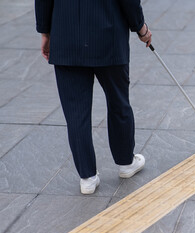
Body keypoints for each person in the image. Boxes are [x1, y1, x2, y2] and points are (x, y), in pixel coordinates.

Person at [35, 0, 152, 194]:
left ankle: (87, 177)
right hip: (108, 33)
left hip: (66, 35)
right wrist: (140, 27)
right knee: (118, 101)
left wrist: (45, 31)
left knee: (75, 112)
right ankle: (125, 162)